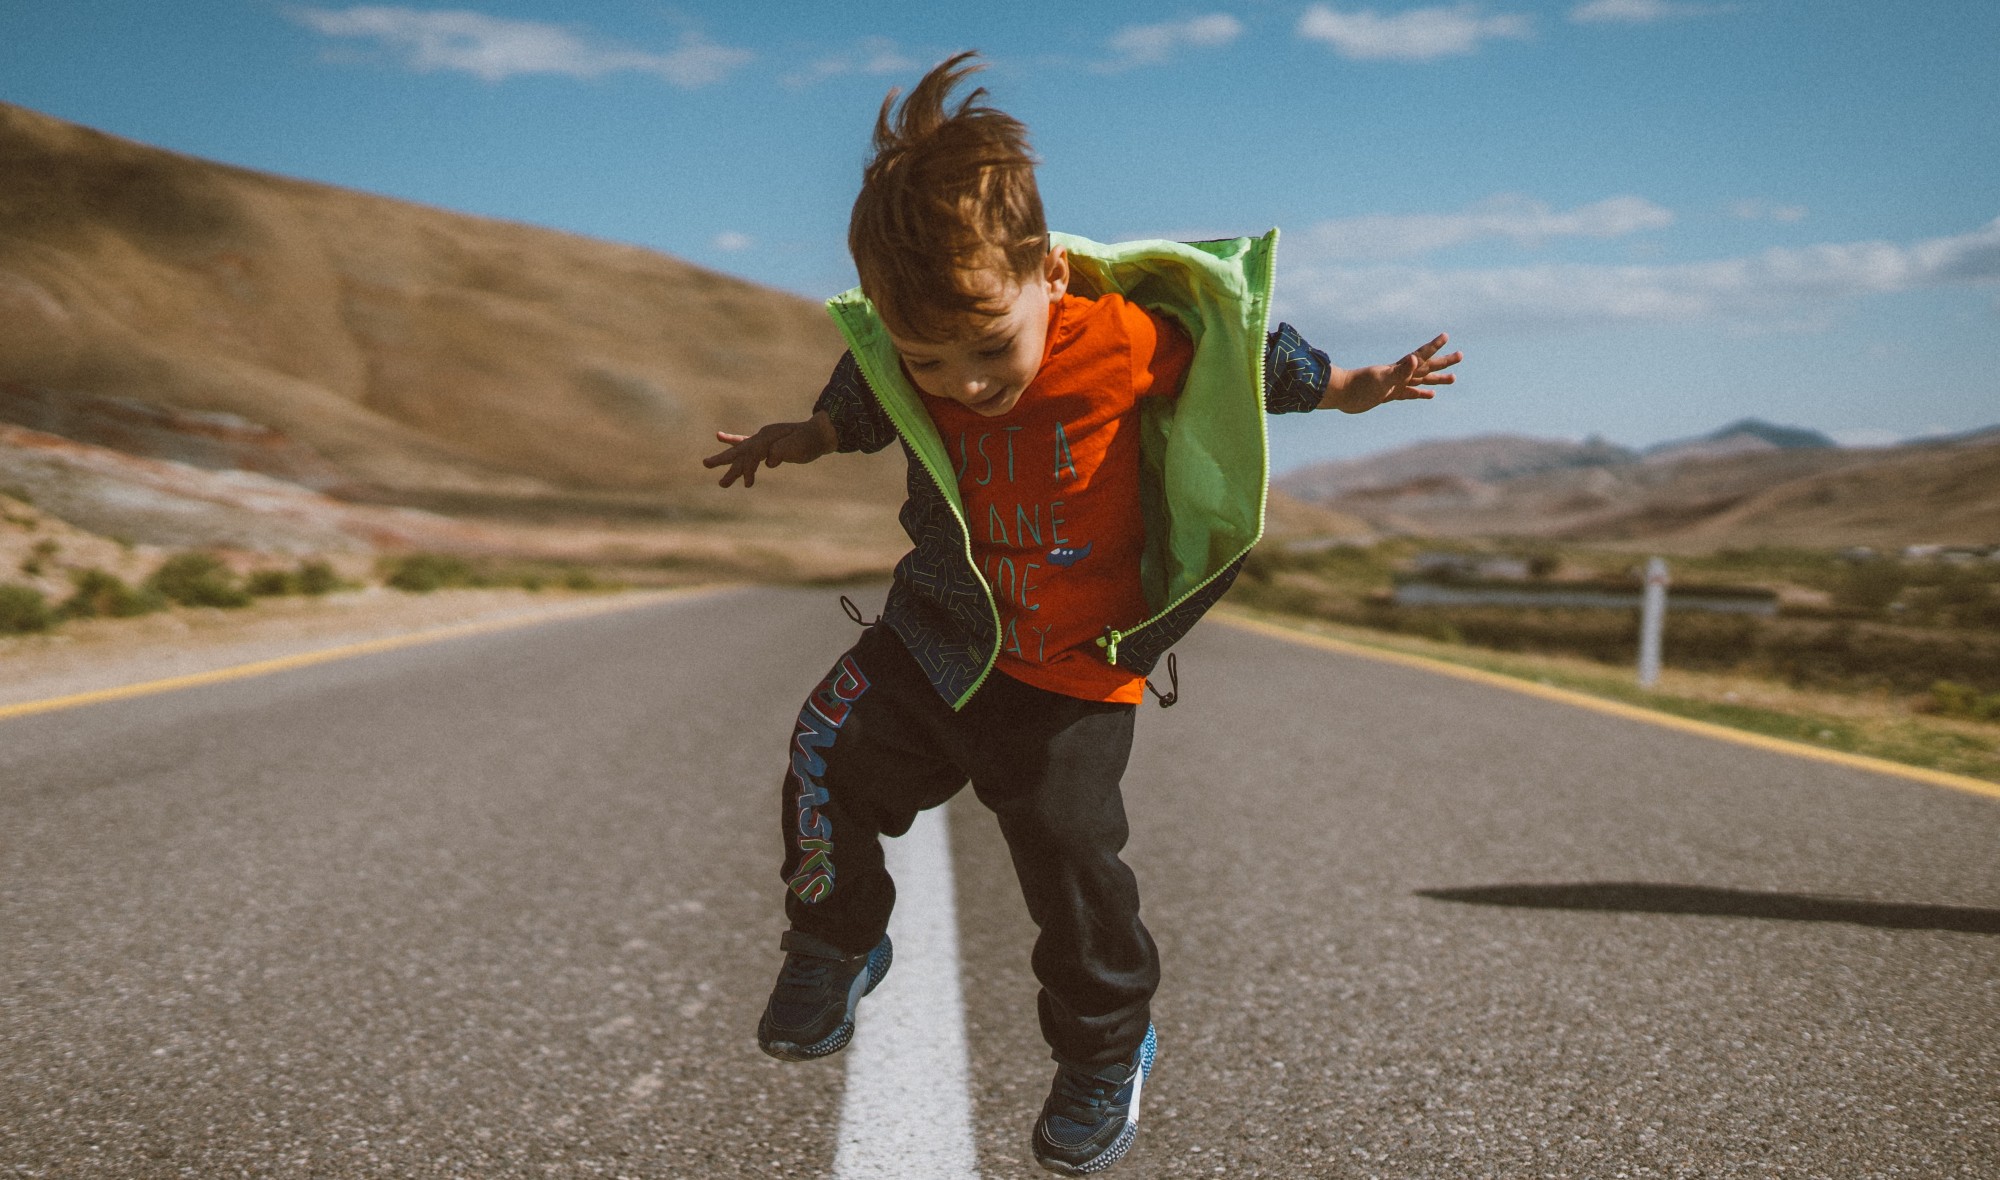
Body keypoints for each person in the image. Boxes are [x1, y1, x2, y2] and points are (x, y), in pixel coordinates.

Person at [703, 51, 1458, 1176]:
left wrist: (1349, 386)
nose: (960, 384)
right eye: (929, 359)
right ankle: (832, 939)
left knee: (1068, 872)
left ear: (1049, 273)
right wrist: (799, 436)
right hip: (934, 636)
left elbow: (1240, 354)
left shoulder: (1120, 335)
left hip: (1068, 671)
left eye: (986, 348)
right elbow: (863, 395)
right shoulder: (910, 360)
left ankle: (1106, 1049)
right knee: (822, 754)